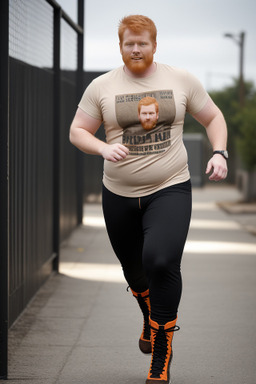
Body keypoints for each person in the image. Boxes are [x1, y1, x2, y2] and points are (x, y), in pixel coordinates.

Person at [70, 14, 228, 384]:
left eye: (142, 42)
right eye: (129, 43)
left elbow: (213, 117)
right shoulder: (101, 87)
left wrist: (219, 152)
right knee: (135, 272)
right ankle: (149, 313)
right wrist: (101, 148)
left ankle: (161, 351)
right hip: (118, 194)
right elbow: (78, 131)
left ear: (154, 45)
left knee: (160, 262)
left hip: (170, 187)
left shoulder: (181, 80)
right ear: (121, 46)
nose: (136, 48)